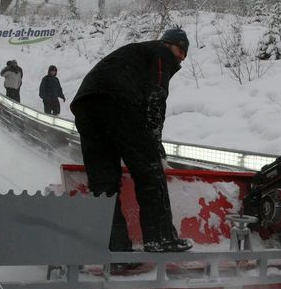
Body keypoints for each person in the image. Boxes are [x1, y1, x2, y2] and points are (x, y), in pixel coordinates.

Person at [70, 28, 193, 256]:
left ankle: (117, 251)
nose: (181, 58)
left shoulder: (132, 55)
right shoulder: (160, 52)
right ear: (169, 44)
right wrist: (154, 143)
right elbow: (156, 97)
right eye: (181, 50)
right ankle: (160, 239)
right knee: (149, 171)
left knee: (104, 183)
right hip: (120, 101)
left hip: (86, 106)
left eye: (184, 55)